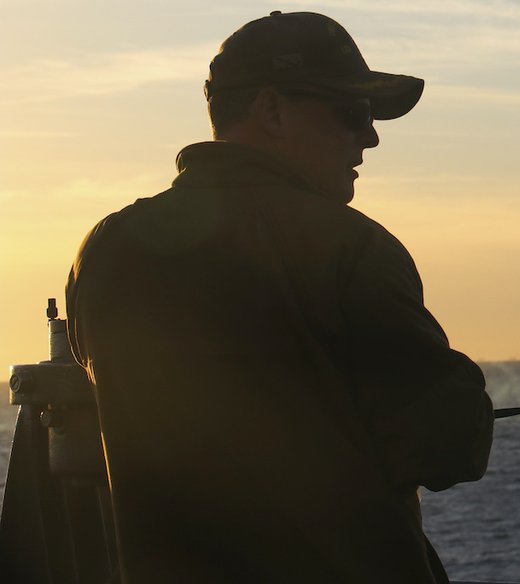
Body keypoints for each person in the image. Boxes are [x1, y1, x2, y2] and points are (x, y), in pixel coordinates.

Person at [65, 11, 493, 584]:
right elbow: (445, 448)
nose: (369, 135)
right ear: (272, 110)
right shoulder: (350, 247)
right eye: (352, 111)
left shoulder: (106, 249)